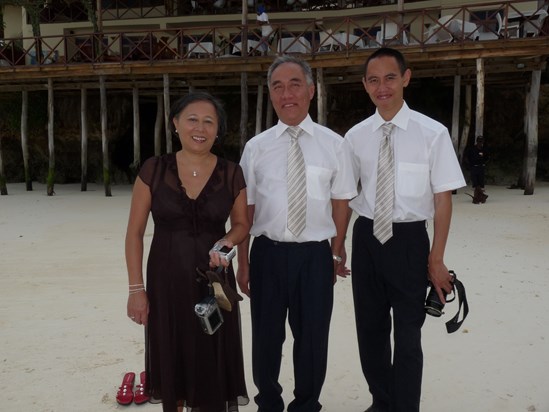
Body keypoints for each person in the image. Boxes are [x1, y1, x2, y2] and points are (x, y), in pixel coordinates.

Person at [344, 48, 466, 412]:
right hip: (366, 238)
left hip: (411, 240)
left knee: (408, 336)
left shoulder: (432, 133)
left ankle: (405, 406)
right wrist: (337, 247)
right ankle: (382, 401)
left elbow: (443, 200)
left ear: (406, 78)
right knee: (370, 330)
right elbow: (345, 196)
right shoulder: (355, 136)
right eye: (374, 80)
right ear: (365, 85)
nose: (383, 87)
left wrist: (437, 258)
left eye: (390, 78)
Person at [237, 55, 356, 412]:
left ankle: (306, 404)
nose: (286, 93)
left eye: (294, 84)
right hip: (267, 254)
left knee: (312, 338)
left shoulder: (334, 144)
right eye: (278, 86)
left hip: (314, 255)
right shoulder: (256, 147)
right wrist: (243, 263)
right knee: (266, 338)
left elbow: (341, 203)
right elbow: (247, 210)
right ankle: (268, 402)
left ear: (311, 90)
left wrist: (336, 251)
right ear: (271, 94)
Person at [125, 91, 250, 412]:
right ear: (175, 124)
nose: (201, 127)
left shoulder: (232, 172)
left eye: (209, 121)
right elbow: (135, 233)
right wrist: (136, 289)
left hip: (215, 281)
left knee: (213, 352)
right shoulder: (153, 169)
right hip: (165, 281)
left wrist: (226, 242)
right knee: (172, 354)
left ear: (218, 129)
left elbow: (241, 225)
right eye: (192, 119)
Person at [466, 136, 488, 203]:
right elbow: (467, 157)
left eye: (481, 142)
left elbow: (487, 157)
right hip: (474, 167)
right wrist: (469, 165)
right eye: (479, 141)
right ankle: (477, 197)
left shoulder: (484, 149)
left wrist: (484, 163)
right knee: (475, 183)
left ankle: (480, 197)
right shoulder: (472, 149)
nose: (480, 143)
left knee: (481, 183)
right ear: (477, 141)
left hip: (481, 167)